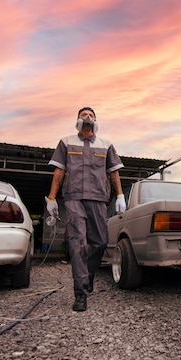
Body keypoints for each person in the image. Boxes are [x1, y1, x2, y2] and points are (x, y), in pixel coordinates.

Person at [45, 107, 126, 312]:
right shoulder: (66, 141)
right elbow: (59, 171)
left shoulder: (105, 144)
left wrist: (120, 195)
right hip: (73, 198)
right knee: (77, 242)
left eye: (90, 115)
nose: (87, 118)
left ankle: (88, 275)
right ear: (78, 120)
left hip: (98, 199)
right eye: (83, 115)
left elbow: (114, 172)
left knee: (100, 242)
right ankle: (80, 293)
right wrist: (52, 198)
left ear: (96, 120)